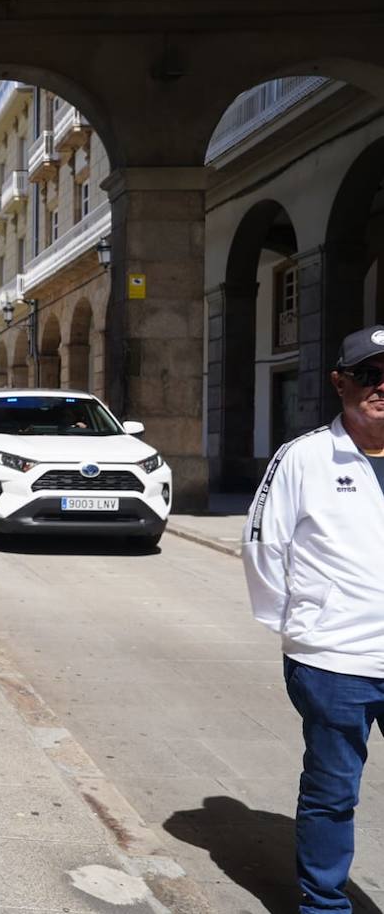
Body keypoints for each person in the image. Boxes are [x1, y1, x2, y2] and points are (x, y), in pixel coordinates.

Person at [243, 323, 384, 914]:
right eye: (368, 376)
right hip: (335, 660)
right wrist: (302, 624)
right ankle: (325, 906)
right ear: (339, 383)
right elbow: (261, 545)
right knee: (333, 793)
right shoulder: (303, 457)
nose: (381, 388)